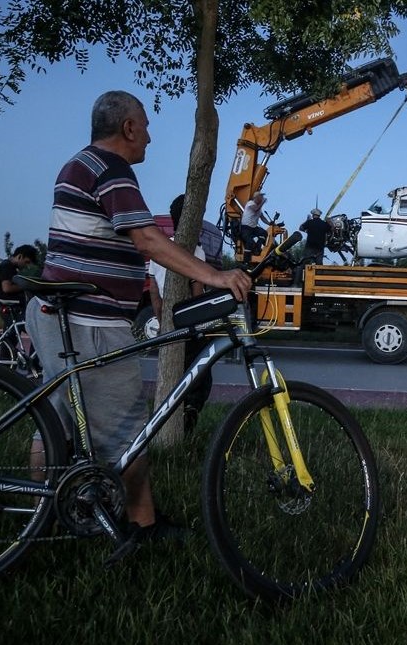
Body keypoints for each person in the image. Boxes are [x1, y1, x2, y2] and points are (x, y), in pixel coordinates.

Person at [26, 91, 251, 549]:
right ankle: (142, 527)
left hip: (58, 314)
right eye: (145, 125)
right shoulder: (112, 170)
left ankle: (37, 518)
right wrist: (215, 275)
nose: (149, 135)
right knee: (128, 428)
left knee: (57, 422)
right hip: (88, 319)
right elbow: (148, 240)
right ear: (128, 128)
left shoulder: (80, 163)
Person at [147, 194, 215, 434]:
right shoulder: (195, 252)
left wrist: (163, 318)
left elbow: (154, 293)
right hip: (189, 322)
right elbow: (196, 294)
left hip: (168, 321)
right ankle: (189, 414)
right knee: (202, 375)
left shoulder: (160, 251)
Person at [0, 244, 39, 333]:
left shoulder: (11, 267)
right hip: (10, 306)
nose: (27, 266)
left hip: (13, 306)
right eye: (27, 262)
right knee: (35, 331)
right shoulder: (7, 266)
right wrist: (27, 286)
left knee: (11, 338)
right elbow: (7, 288)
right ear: (20, 256)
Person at [296, 207, 329, 284]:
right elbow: (331, 229)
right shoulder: (323, 224)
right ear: (319, 215)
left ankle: (300, 281)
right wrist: (328, 221)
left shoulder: (309, 222)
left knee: (304, 263)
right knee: (319, 265)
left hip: (309, 247)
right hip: (320, 248)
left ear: (313, 215)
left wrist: (307, 220)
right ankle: (319, 281)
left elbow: (301, 228)